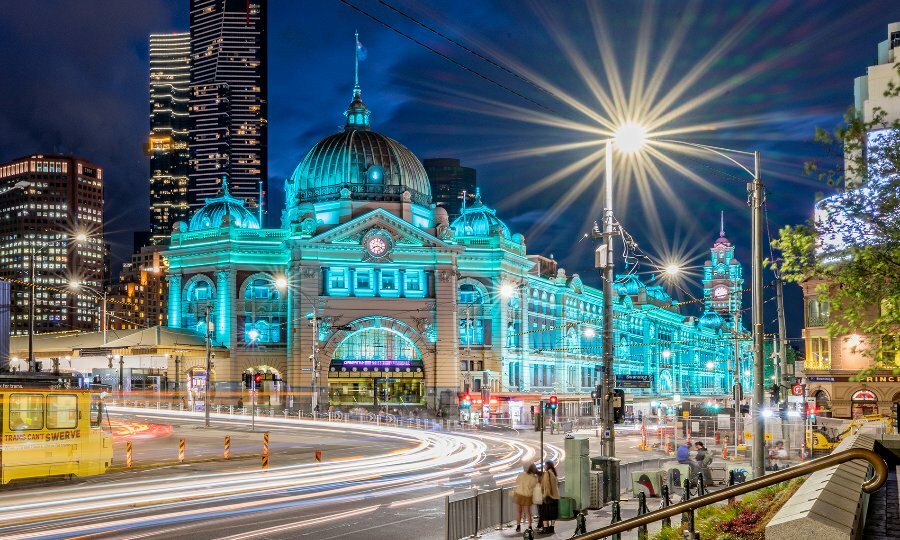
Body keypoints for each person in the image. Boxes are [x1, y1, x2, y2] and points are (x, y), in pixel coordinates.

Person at [512, 463, 539, 532]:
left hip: (519, 494)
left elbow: (517, 482)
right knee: (527, 512)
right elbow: (534, 486)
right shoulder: (534, 478)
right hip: (527, 496)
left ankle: (518, 526)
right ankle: (529, 526)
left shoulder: (521, 475)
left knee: (518, 511)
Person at [537, 461, 561, 534]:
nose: (544, 466)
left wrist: (544, 496)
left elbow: (547, 486)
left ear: (548, 466)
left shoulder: (547, 473)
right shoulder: (554, 473)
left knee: (544, 513)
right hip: (555, 496)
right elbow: (557, 485)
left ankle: (545, 529)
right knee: (553, 513)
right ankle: (552, 528)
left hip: (548, 496)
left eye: (545, 465)